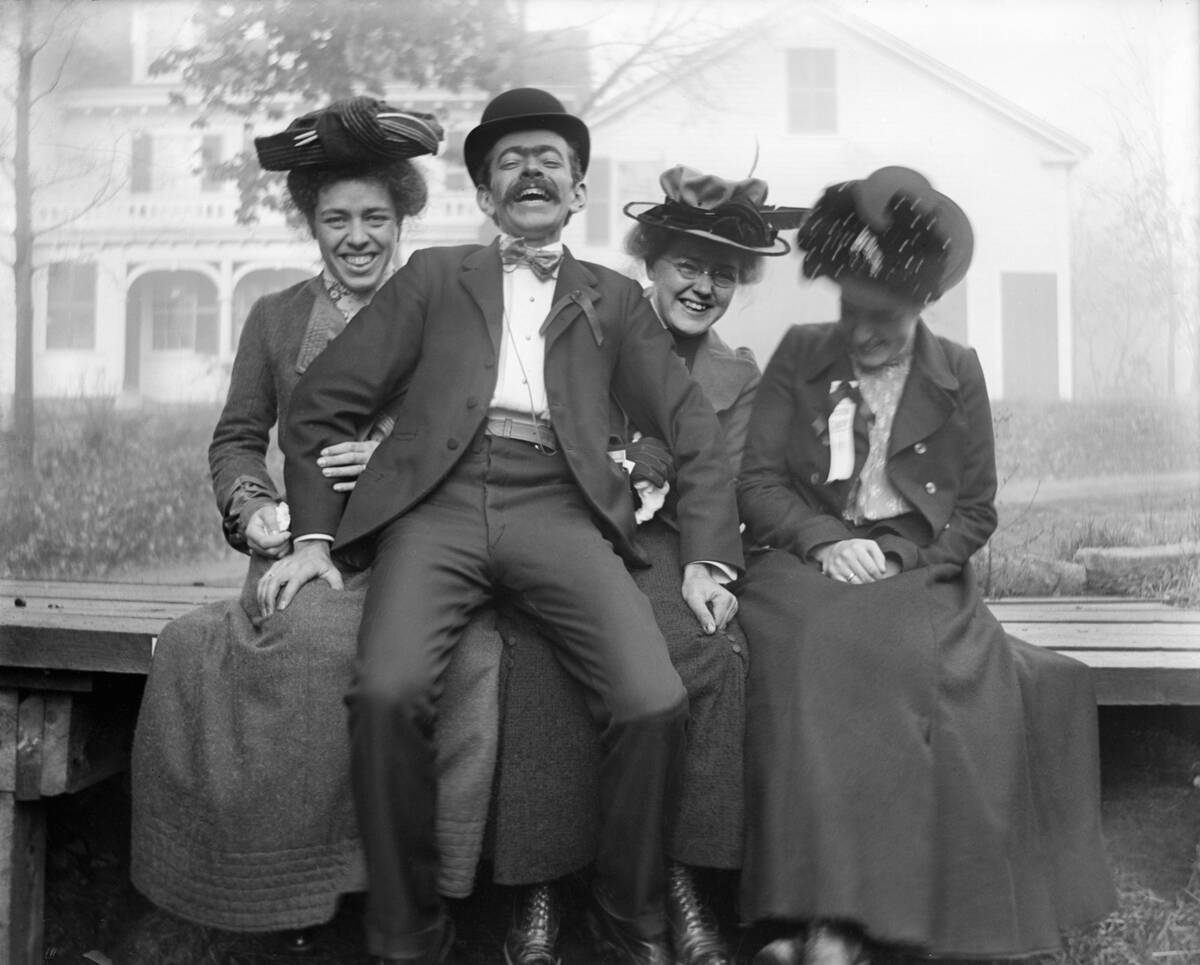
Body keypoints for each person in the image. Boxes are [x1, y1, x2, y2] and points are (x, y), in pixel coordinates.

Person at [264, 88, 745, 965]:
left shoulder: (614, 299)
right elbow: (319, 404)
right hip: (436, 508)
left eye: (548, 161)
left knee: (652, 700)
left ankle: (625, 916)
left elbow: (693, 431)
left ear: (578, 190)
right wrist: (312, 537)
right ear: (485, 196)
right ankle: (409, 934)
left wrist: (708, 559)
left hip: (559, 506)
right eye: (509, 163)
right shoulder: (432, 277)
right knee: (386, 694)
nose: (530, 173)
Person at [129, 98, 504, 941]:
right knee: (280, 645)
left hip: (424, 548)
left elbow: (486, 433)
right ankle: (284, 895)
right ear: (312, 224)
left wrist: (399, 459)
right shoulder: (278, 317)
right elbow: (237, 437)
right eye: (337, 219)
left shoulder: (452, 313)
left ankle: (407, 893)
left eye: (376, 217)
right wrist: (254, 506)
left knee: (461, 656)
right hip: (306, 550)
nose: (358, 237)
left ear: (403, 218)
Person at [736, 166, 1117, 965]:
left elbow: (975, 508)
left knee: (887, 655)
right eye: (851, 312)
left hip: (917, 569)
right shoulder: (801, 353)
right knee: (816, 647)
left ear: (923, 305)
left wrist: (899, 552)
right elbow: (759, 483)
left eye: (884, 319)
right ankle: (828, 912)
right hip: (803, 562)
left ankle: (845, 923)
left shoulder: (958, 370)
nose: (863, 335)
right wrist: (824, 540)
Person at [494, 165, 800, 965]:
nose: (702, 287)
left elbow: (721, 483)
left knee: (706, 651)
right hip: (562, 524)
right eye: (687, 265)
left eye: (723, 274)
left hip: (666, 543)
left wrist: (708, 564)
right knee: (541, 652)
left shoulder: (735, 374)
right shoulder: (589, 325)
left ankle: (680, 878)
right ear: (651, 265)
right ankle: (541, 887)